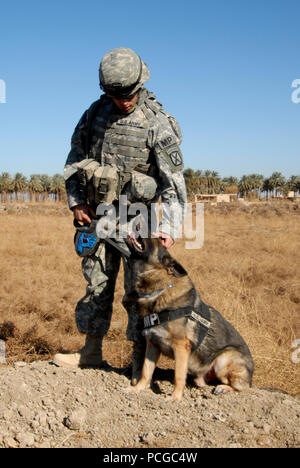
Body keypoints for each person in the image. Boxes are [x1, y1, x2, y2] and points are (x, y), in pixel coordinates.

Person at [52, 47, 187, 384]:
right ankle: (91, 352)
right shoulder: (94, 114)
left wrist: (168, 227)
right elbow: (74, 159)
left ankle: (139, 363)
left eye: (127, 94)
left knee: (139, 294)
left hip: (138, 221)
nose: (123, 101)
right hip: (98, 218)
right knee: (97, 283)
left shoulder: (157, 122)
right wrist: (76, 201)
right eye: (114, 94)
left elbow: (174, 184)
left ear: (140, 83)